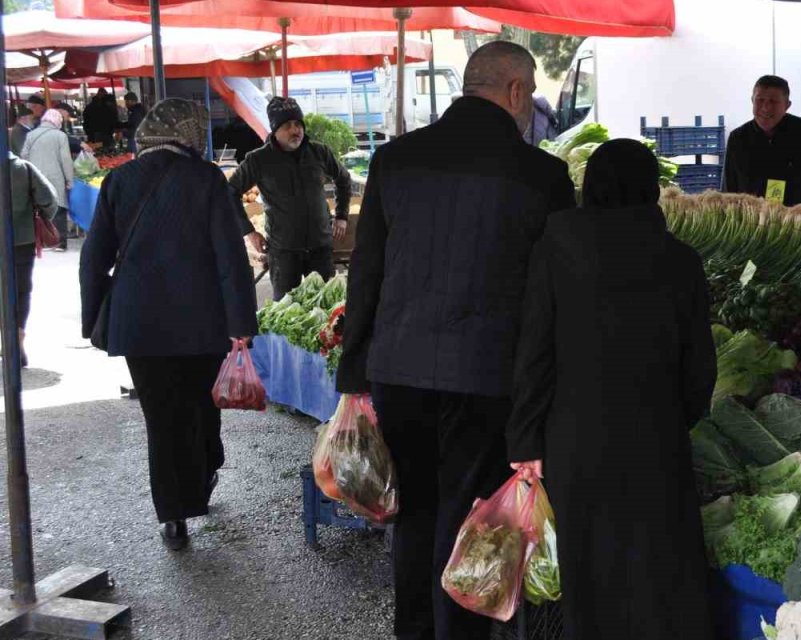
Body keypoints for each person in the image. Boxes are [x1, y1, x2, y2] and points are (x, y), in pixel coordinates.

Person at [336, 41, 575, 640]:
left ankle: (414, 631)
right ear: (517, 92)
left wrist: (354, 373)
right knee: (471, 514)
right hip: (489, 375)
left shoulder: (395, 159)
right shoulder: (543, 175)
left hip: (399, 368)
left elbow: (365, 273)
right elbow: (553, 295)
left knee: (413, 510)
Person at [507, 138, 717, 640]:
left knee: (590, 569)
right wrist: (675, 416)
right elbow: (699, 368)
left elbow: (534, 351)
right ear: (652, 189)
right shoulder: (680, 259)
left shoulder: (557, 246)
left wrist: (526, 439)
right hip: (656, 436)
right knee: (659, 565)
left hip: (575, 438)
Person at [79, 98, 257, 552]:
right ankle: (203, 476)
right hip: (203, 323)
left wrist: (93, 319)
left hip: (140, 326)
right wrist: (241, 323)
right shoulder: (207, 179)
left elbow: (93, 259)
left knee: (161, 420)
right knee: (201, 407)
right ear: (191, 133)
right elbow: (230, 260)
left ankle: (174, 516)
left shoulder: (118, 180)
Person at [229, 96, 352, 300]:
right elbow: (230, 192)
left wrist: (341, 215)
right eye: (287, 125)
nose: (295, 130)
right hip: (283, 251)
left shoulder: (319, 152)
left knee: (325, 311)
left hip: (320, 247)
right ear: (275, 130)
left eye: (298, 124)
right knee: (286, 309)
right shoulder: (258, 160)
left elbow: (344, 179)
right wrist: (249, 232)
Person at [722, 75, 801, 206]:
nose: (765, 107)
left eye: (773, 101)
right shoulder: (738, 139)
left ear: (787, 105)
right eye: (760, 100)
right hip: (753, 222)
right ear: (752, 100)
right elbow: (728, 192)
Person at [6, 152, 59, 368]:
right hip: (21, 240)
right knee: (21, 290)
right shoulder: (23, 168)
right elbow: (50, 200)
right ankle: (17, 336)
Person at [21, 109, 75, 252]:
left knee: (38, 208)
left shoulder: (30, 135)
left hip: (35, 176)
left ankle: (40, 241)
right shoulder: (60, 136)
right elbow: (66, 160)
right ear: (57, 121)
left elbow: (23, 156)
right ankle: (59, 242)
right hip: (55, 176)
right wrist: (70, 179)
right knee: (59, 207)